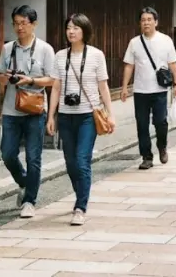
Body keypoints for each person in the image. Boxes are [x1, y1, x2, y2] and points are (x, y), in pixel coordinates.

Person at [47, 13, 116, 225]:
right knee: (70, 162)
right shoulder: (60, 56)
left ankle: (80, 206)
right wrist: (51, 115)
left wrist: (110, 114)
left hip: (88, 115)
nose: (71, 31)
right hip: (66, 116)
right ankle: (80, 192)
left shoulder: (96, 55)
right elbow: (56, 87)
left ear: (84, 31)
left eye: (76, 28)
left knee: (82, 159)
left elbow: (103, 86)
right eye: (69, 27)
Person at [0, 5, 57, 219]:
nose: (19, 27)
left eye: (24, 23)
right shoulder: (8, 49)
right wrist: (9, 76)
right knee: (8, 154)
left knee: (34, 157)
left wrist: (30, 79)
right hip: (12, 109)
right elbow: (0, 78)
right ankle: (23, 181)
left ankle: (30, 200)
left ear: (34, 24)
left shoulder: (45, 49)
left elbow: (51, 79)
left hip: (35, 109)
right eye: (16, 23)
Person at [121, 7, 176, 170]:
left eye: (149, 19)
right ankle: (146, 156)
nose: (146, 22)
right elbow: (129, 66)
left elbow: (173, 65)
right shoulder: (134, 42)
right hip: (140, 91)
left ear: (156, 22)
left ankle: (162, 147)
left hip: (160, 91)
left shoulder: (165, 40)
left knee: (160, 122)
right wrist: (125, 87)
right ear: (140, 23)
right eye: (143, 20)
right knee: (142, 124)